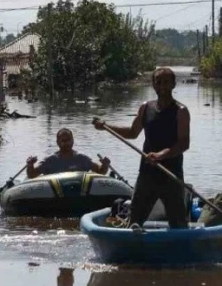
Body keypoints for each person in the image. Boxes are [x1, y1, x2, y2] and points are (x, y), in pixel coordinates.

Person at [93, 67, 190, 229]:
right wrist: (106, 126)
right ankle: (133, 245)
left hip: (171, 175)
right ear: (153, 85)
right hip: (147, 174)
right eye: (158, 82)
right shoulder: (146, 108)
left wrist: (160, 155)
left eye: (166, 82)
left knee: (178, 223)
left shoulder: (181, 111)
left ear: (173, 84)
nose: (162, 86)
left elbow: (183, 144)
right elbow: (132, 133)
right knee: (135, 220)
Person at [26, 128, 111, 178]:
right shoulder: (50, 160)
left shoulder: (82, 158)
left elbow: (101, 171)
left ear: (73, 141)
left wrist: (105, 164)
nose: (66, 143)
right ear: (57, 142)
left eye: (68, 140)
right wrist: (30, 165)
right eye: (63, 140)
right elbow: (32, 175)